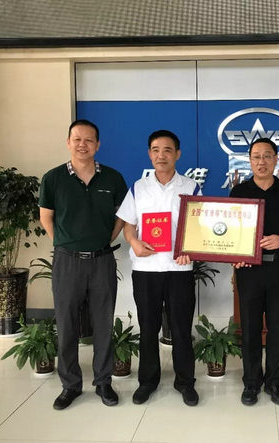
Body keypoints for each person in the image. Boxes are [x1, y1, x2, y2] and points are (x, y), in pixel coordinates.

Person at [39, 119, 128, 410]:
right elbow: (45, 217)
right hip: (67, 262)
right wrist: (64, 243)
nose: (82, 144)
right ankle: (70, 385)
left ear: (97, 145)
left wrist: (106, 239)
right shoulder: (53, 178)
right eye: (77, 139)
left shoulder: (113, 178)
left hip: (102, 260)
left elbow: (122, 215)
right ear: (68, 142)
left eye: (89, 140)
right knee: (66, 325)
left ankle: (103, 382)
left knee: (103, 323)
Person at [116, 129, 201, 406]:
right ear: (149, 154)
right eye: (155, 150)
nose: (161, 155)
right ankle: (147, 382)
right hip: (146, 269)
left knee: (181, 328)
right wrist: (134, 242)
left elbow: (199, 227)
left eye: (167, 150)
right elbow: (129, 225)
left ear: (178, 154)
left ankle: (185, 382)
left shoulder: (191, 187)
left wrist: (191, 250)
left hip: (179, 270)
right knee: (148, 327)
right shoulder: (138, 187)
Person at [230, 137, 279, 406]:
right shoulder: (239, 192)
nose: (261, 161)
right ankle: (251, 383)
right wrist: (235, 256)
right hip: (249, 272)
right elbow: (229, 231)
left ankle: (275, 382)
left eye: (266, 156)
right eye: (256, 156)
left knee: (278, 328)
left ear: (275, 159)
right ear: (249, 160)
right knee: (250, 329)